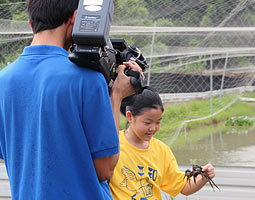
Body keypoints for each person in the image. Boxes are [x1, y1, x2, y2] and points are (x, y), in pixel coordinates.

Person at [0, 0, 142, 199]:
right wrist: (116, 94)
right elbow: (105, 168)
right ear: (76, 18)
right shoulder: (87, 79)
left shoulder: (3, 80)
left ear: (32, 24)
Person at [109, 88, 216, 199]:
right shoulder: (114, 144)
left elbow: (184, 187)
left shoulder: (162, 151)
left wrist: (204, 177)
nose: (153, 128)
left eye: (158, 122)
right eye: (147, 122)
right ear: (130, 117)